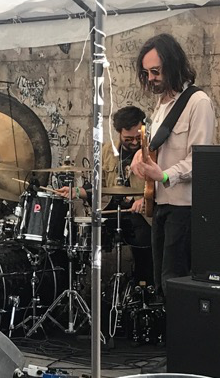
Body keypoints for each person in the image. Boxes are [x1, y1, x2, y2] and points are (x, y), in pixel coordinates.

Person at [131, 33, 216, 299]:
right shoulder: (161, 106)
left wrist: (165, 175)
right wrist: (139, 156)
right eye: (146, 73)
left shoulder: (198, 103)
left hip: (184, 208)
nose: (151, 78)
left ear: (173, 64)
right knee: (160, 282)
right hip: (160, 204)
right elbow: (156, 147)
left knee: (176, 283)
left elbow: (200, 160)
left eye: (155, 71)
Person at [55, 105, 153, 285]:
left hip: (141, 214)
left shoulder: (152, 151)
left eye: (138, 137)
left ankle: (143, 287)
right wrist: (75, 192)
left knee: (144, 243)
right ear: (119, 132)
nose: (134, 142)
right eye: (128, 139)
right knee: (78, 234)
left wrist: (144, 200)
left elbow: (161, 183)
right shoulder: (107, 151)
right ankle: (78, 284)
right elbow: (99, 186)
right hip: (112, 209)